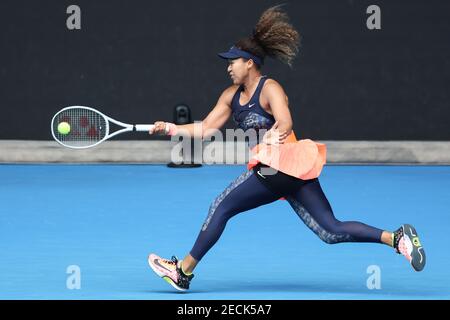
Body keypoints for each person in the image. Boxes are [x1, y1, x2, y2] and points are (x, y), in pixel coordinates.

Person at [147, 6, 426, 291]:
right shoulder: (230, 96)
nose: (228, 67)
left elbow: (285, 121)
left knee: (222, 206)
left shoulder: (270, 88)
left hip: (280, 165)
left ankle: (182, 270)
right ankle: (397, 238)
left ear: (249, 63)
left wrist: (269, 140)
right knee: (330, 230)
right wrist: (170, 128)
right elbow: (205, 128)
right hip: (286, 175)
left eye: (233, 61)